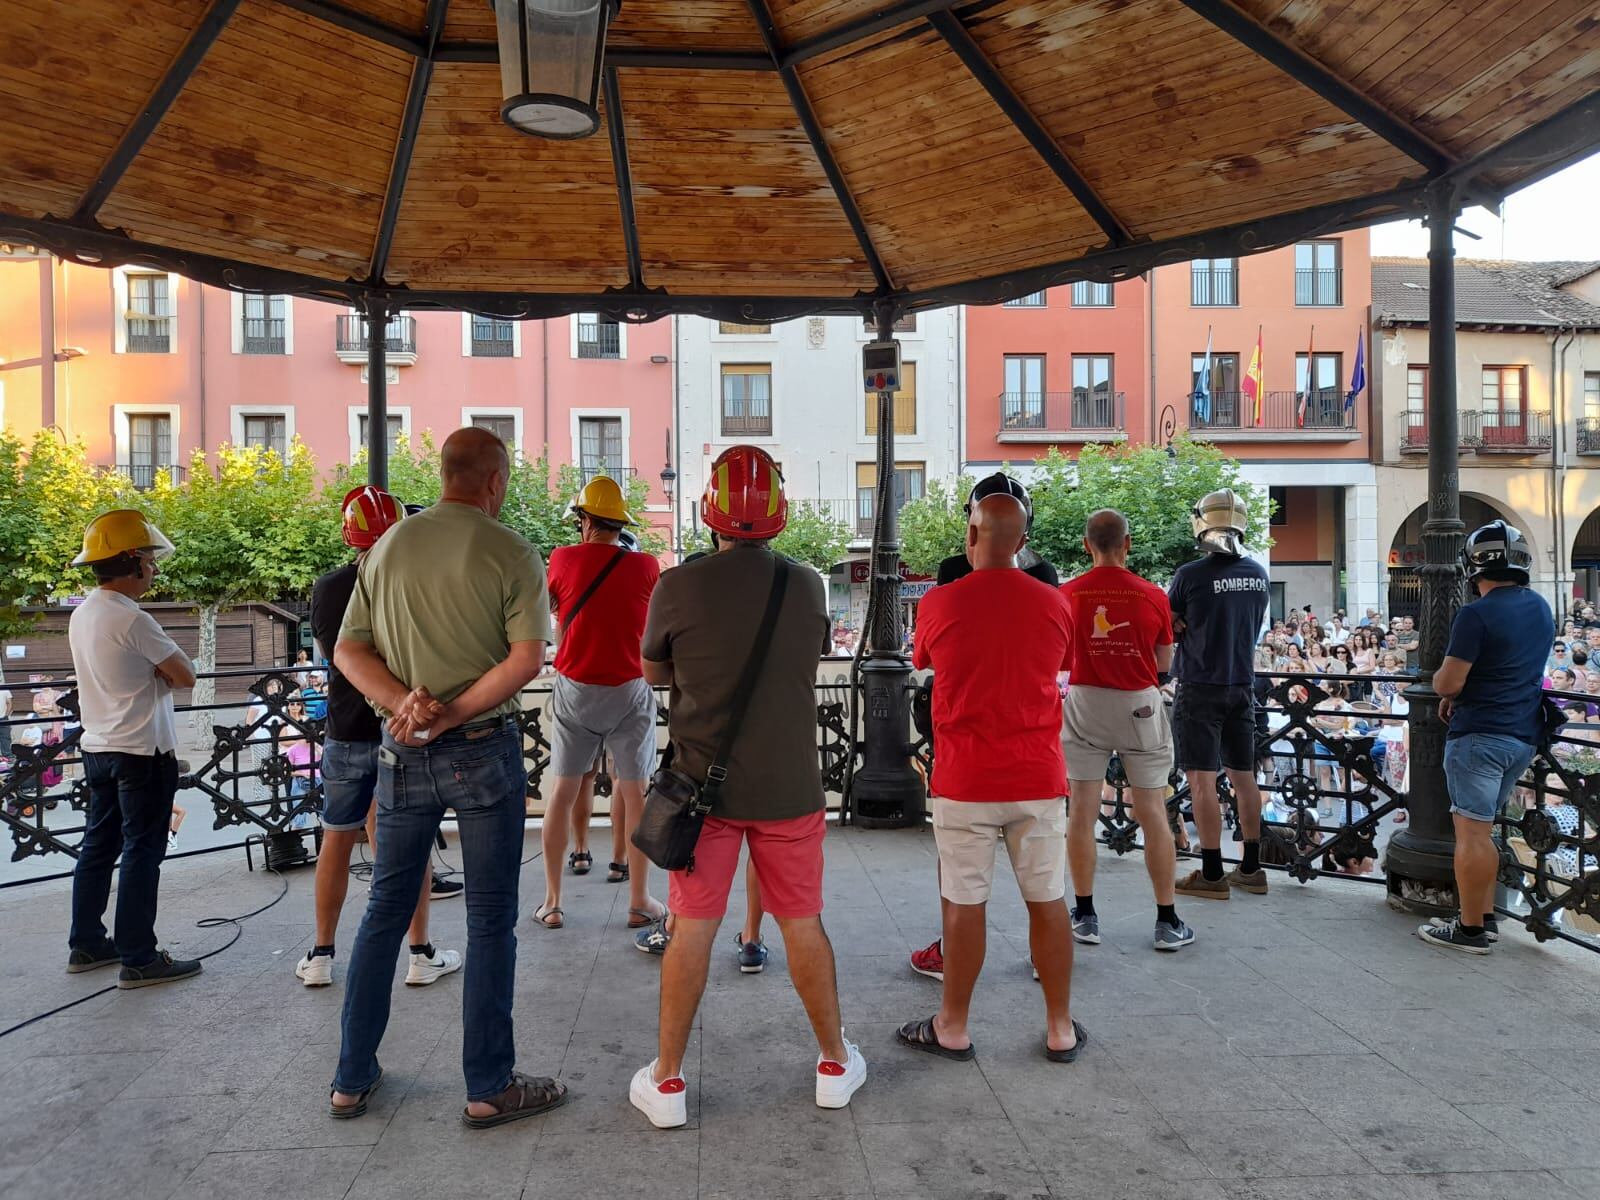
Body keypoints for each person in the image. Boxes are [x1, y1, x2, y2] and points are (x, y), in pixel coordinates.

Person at [331, 427, 563, 1128]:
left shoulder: (390, 544)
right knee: (492, 919)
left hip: (400, 753)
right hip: (481, 750)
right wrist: (451, 712)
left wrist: (405, 707)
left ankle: (350, 1078)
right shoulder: (511, 549)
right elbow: (527, 659)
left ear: (444, 475)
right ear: (494, 480)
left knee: (383, 915)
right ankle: (489, 1087)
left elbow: (347, 648)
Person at [629, 446, 864, 1129]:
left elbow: (653, 674)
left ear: (711, 512)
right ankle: (831, 1064)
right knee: (802, 923)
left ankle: (667, 1080)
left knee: (691, 927)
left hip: (701, 794)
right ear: (780, 515)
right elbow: (807, 657)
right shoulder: (809, 584)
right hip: (791, 789)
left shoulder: (677, 586)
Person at [901, 492, 1084, 1063]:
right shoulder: (1056, 604)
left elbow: (922, 662)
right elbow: (1060, 666)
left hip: (965, 777)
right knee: (1048, 900)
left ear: (970, 537)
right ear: (1024, 543)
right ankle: (1060, 1027)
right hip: (1036, 775)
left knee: (963, 902)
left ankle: (953, 1025)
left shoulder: (937, 602)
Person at [294, 487, 462, 989]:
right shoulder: (416, 583)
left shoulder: (327, 588)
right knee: (405, 847)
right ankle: (420, 953)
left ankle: (321, 954)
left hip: (346, 729)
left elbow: (338, 653)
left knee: (335, 839)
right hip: (402, 728)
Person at [911, 472, 1053, 981]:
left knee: (961, 881)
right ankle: (1050, 975)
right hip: (1032, 749)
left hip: (964, 742)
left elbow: (927, 655)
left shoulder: (949, 579)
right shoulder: (1049, 582)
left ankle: (953, 966)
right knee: (1046, 889)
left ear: (971, 528)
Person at [64, 510, 201, 987]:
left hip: (98, 746)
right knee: (144, 850)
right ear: (131, 562)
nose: (154, 569)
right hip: (142, 751)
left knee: (98, 847)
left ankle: (86, 943)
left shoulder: (83, 613)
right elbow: (185, 675)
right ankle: (139, 956)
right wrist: (160, 672)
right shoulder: (132, 618)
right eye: (148, 559)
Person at [1058, 510, 1192, 951]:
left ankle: (1086, 914)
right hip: (1139, 705)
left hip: (1085, 703)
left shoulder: (1067, 594)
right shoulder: (1152, 594)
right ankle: (1167, 921)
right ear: (1128, 544)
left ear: (1085, 545)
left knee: (1081, 811)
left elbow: (1060, 660)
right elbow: (1164, 663)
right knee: (1152, 811)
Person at [536, 476, 663, 932]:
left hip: (576, 688)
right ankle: (639, 900)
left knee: (562, 792)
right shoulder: (647, 566)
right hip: (630, 687)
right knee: (635, 793)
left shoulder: (563, 559)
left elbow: (549, 605)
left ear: (585, 521)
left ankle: (552, 902)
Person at [1421, 520, 1551, 954]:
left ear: (1473, 568)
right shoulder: (1540, 607)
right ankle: (1486, 915)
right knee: (1486, 830)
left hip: (1479, 736)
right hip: (1523, 735)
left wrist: (1443, 681)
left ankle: (1470, 929)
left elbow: (1447, 683)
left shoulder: (1475, 613)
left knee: (1471, 834)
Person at [1168, 489, 1272, 901]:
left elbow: (1170, 623)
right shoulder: (1260, 573)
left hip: (1199, 685)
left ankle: (1212, 872)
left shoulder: (1190, 575)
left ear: (1202, 524)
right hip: (1241, 685)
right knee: (1244, 778)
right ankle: (1251, 867)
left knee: (1201, 781)